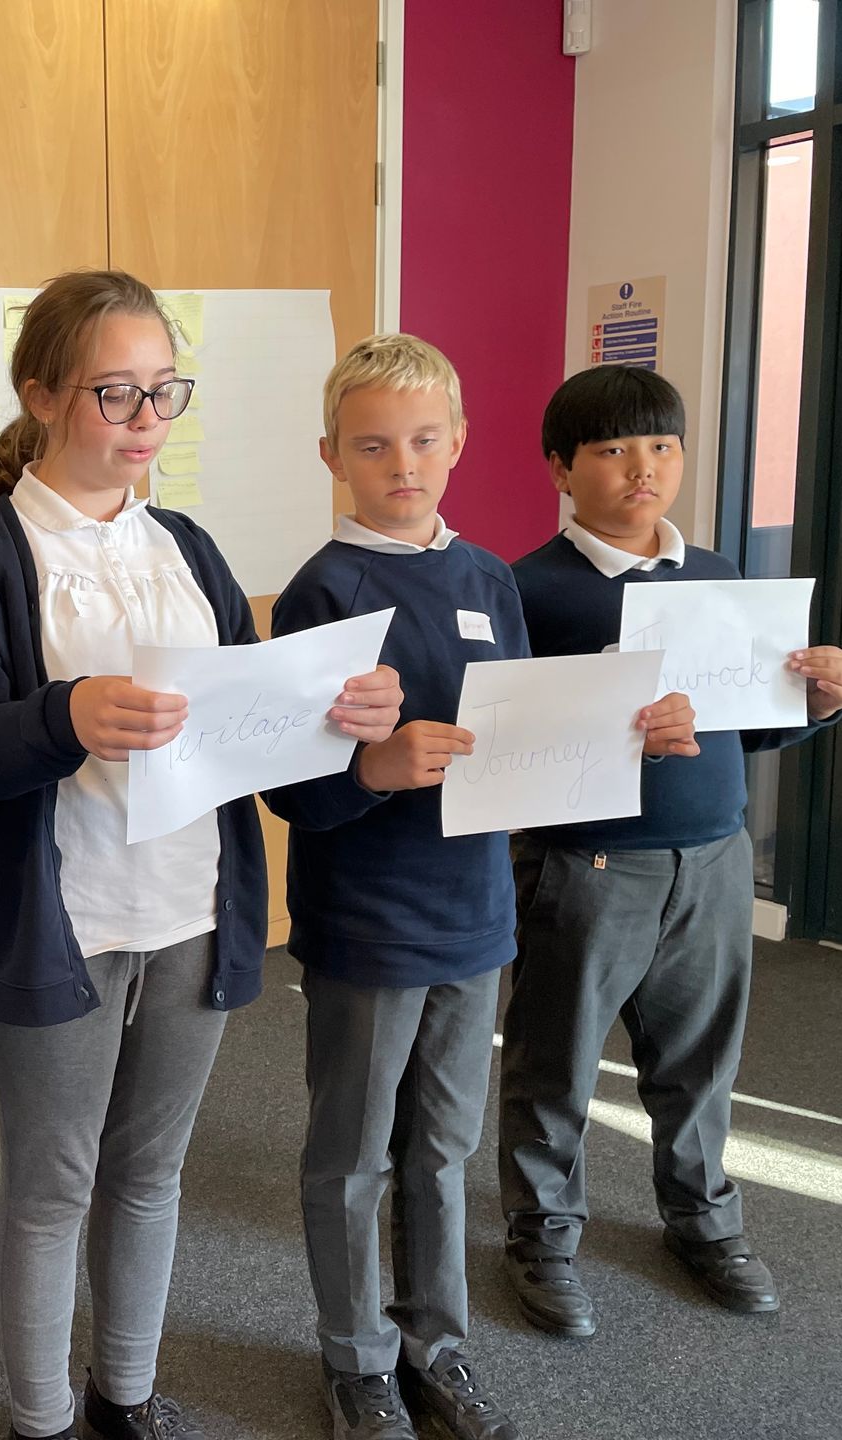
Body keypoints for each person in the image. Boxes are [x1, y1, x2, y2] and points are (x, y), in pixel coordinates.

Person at [0, 270, 401, 1440]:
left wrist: (341, 725)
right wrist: (63, 716)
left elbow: (252, 732)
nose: (144, 422)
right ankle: (40, 1419)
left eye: (163, 393)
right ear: (39, 394)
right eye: (114, 394)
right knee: (50, 1187)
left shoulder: (186, 543)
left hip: (192, 909)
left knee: (148, 1174)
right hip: (60, 918)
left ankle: (123, 1398)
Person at [266, 335, 689, 1440]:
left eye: (421, 438)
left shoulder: (487, 575)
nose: (401, 462)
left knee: (443, 1153)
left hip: (475, 916)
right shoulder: (324, 592)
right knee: (354, 1155)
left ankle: (434, 1349)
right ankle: (356, 1361)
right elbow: (292, 791)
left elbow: (524, 742)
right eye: (372, 445)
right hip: (368, 922)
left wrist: (622, 737)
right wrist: (372, 768)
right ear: (333, 455)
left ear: (457, 441)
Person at [497, 364, 842, 1335]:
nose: (641, 468)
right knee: (555, 1064)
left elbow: (750, 726)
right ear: (560, 469)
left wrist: (816, 706)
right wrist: (616, 732)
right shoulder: (526, 591)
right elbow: (504, 748)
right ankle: (541, 1239)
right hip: (587, 866)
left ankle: (702, 1222)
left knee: (700, 1061)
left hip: (714, 858)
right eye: (611, 449)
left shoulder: (719, 577)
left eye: (660, 445)